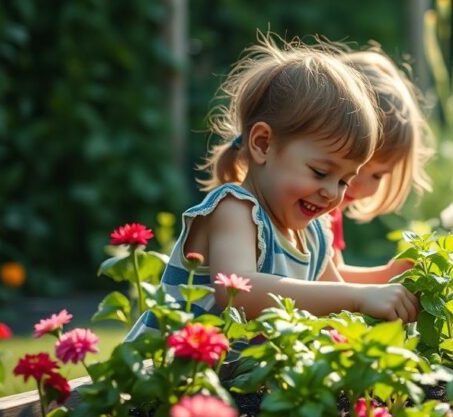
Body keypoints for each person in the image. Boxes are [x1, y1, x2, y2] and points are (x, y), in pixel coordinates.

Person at [126, 35, 419, 342]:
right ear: (263, 144)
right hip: (163, 377)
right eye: (320, 172)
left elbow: (332, 312)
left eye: (344, 180)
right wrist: (358, 296)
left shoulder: (316, 236)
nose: (333, 192)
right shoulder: (235, 210)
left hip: (233, 386)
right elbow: (236, 292)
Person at [326, 47, 434, 283]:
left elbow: (333, 276)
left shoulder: (329, 211)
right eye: (356, 169)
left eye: (377, 176)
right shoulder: (309, 205)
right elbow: (324, 284)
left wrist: (391, 275)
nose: (360, 185)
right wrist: (387, 276)